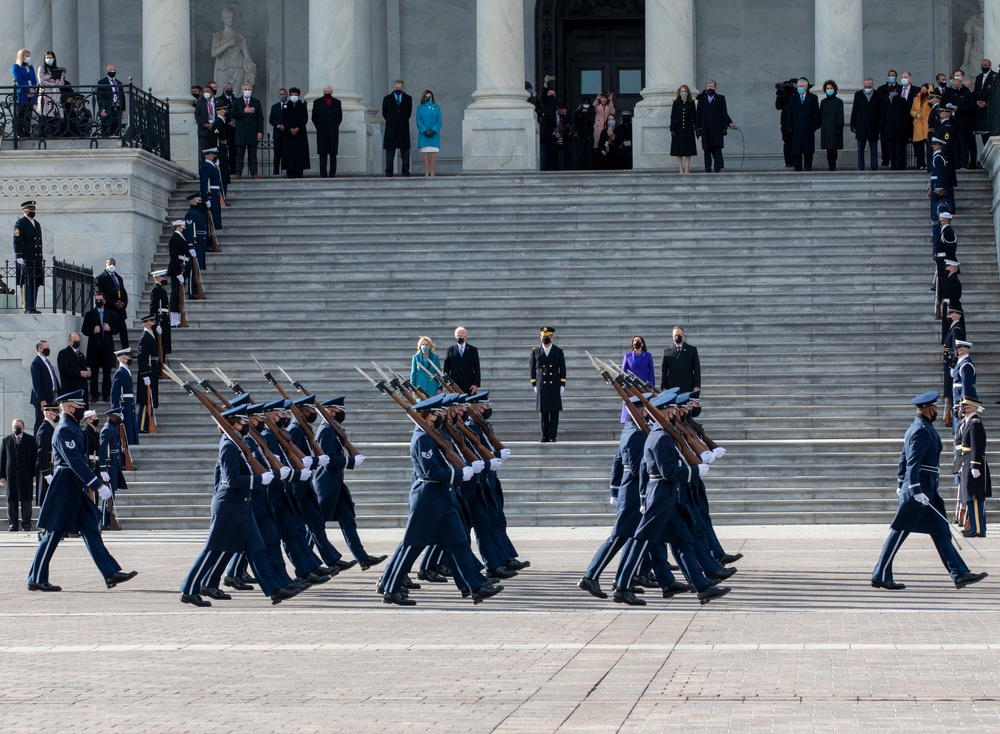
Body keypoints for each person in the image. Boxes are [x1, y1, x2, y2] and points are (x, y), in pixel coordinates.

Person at [378, 393, 502, 606]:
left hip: (443, 495)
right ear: (430, 416)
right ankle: (391, 588)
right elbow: (431, 471)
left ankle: (474, 586)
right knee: (412, 545)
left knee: (458, 541)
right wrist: (459, 474)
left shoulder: (433, 436)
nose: (444, 416)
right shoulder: (422, 439)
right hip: (428, 497)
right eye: (440, 413)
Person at [179, 404, 301, 608]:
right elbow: (232, 479)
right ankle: (188, 589)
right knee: (213, 550)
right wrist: (259, 480)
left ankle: (274, 589)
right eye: (245, 421)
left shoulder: (237, 444)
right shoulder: (228, 446)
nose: (249, 425)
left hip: (242, 505)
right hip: (229, 505)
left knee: (258, 549)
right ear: (235, 424)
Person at [871, 391, 988, 591]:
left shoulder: (918, 427)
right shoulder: (921, 430)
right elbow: (912, 461)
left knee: (941, 531)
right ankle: (880, 574)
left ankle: (960, 573)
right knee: (899, 531)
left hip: (925, 489)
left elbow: (903, 458)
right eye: (935, 409)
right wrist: (912, 488)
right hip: (920, 488)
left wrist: (901, 482)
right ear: (929, 409)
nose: (936, 412)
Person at [27, 390, 138, 593]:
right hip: (65, 485)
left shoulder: (71, 428)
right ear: (69, 408)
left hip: (74, 486)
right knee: (53, 533)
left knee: (90, 529)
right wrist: (97, 484)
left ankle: (110, 571)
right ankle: (36, 578)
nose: (82, 411)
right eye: (79, 408)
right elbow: (75, 461)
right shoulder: (63, 430)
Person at [312, 398, 385, 570]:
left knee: (348, 520)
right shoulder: (326, 431)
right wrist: (349, 461)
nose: (340, 414)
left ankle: (362, 557)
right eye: (338, 411)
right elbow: (329, 459)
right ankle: (309, 563)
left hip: (336, 483)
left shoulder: (332, 429)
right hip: (327, 483)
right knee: (316, 524)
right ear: (329, 412)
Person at [956, 393, 990, 537]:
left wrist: (975, 465)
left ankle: (977, 529)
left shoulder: (974, 423)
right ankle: (974, 527)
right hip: (967, 461)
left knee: (974, 497)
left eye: (967, 407)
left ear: (974, 408)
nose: (964, 409)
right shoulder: (969, 422)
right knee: (970, 496)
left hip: (973, 463)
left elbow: (976, 446)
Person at [82, 291, 125, 403]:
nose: (98, 302)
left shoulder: (111, 314)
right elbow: (84, 330)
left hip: (107, 347)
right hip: (94, 347)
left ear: (104, 301)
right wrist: (93, 330)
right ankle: (94, 394)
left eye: (100, 300)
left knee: (107, 372)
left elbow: (116, 329)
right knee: (94, 372)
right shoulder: (90, 314)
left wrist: (109, 328)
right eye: (96, 300)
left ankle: (106, 394)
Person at [530, 326, 566, 443]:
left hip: (554, 383)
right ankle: (545, 435)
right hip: (542, 384)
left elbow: (563, 368)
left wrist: (562, 384)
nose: (545, 339)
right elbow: (532, 368)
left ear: (552, 337)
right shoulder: (535, 351)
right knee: (544, 411)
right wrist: (534, 383)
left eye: (548, 337)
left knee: (554, 411)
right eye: (543, 337)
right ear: (540, 337)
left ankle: (553, 435)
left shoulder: (558, 351)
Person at [1, 419, 37, 531]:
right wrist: (2, 475)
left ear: (23, 427)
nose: (16, 428)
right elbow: (2, 459)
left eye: (18, 426)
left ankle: (26, 524)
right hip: (11, 474)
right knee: (11, 500)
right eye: (14, 426)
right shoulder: (6, 440)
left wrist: (35, 473)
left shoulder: (31, 440)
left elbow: (35, 458)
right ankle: (13, 524)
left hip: (26, 474)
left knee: (26, 499)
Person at [695, 80, 736, 173]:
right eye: (708, 86)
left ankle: (717, 168)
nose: (710, 88)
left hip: (717, 128)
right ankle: (708, 168)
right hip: (705, 128)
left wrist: (726, 126)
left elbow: (724, 113)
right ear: (706, 87)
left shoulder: (721, 98)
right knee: (706, 149)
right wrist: (697, 128)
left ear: (715, 88)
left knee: (717, 148)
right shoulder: (701, 99)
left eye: (712, 86)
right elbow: (698, 115)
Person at [98, 408, 128, 530]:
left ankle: (108, 520)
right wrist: (103, 468)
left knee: (112, 493)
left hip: (114, 464)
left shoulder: (112, 429)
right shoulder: (107, 430)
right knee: (108, 493)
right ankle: (106, 520)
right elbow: (102, 450)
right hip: (109, 466)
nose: (120, 419)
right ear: (112, 417)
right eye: (118, 416)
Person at [13, 199, 44, 314]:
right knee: (26, 282)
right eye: (31, 209)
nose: (33, 211)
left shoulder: (36, 224)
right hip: (26, 258)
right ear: (25, 211)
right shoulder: (21, 222)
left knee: (35, 282)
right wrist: (19, 256)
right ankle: (27, 306)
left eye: (34, 209)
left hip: (36, 258)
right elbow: (17, 240)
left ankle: (33, 306)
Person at [785, 78, 820, 171]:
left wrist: (814, 126)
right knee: (797, 149)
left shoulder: (813, 98)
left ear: (806, 87)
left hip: (808, 128)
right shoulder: (793, 99)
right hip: (796, 128)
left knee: (808, 149)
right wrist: (789, 127)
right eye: (798, 86)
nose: (799, 88)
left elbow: (816, 113)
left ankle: (808, 167)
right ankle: (798, 167)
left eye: (801, 86)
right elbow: (789, 114)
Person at [943, 70, 976, 169]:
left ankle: (964, 163)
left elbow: (971, 107)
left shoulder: (968, 94)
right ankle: (957, 163)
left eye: (955, 87)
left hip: (964, 124)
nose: (954, 89)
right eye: (953, 87)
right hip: (954, 123)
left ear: (960, 85)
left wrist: (958, 108)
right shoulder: (953, 94)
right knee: (955, 144)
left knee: (963, 144)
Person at [94, 259, 130, 347]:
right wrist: (114, 303)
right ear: (105, 265)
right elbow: (101, 294)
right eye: (110, 264)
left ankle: (126, 351)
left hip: (120, 310)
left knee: (123, 331)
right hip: (109, 309)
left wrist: (123, 303)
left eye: (114, 264)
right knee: (108, 331)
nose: (112, 266)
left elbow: (124, 292)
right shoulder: (100, 278)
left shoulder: (118, 278)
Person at [310, 85, 343, 178]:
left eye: (329, 92)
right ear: (323, 92)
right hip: (322, 132)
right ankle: (323, 174)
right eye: (326, 92)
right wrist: (320, 127)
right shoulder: (317, 102)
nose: (327, 93)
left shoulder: (337, 102)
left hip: (333, 132)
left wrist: (334, 125)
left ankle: (332, 174)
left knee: (333, 154)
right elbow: (314, 117)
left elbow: (339, 117)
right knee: (323, 154)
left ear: (332, 92)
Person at [232, 83, 264, 179]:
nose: (247, 91)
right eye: (245, 89)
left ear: (251, 90)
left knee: (253, 155)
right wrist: (244, 111)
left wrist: (260, 132)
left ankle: (254, 173)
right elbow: (232, 114)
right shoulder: (237, 102)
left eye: (248, 89)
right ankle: (238, 173)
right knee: (239, 154)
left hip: (252, 132)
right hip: (240, 132)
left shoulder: (256, 102)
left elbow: (260, 118)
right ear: (242, 91)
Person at [29, 340, 60, 437]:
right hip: (43, 399)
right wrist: (42, 400)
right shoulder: (36, 363)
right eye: (45, 348)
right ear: (39, 349)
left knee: (51, 421)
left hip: (51, 396)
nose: (48, 350)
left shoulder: (47, 362)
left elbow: (53, 378)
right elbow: (36, 384)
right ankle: (37, 443)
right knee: (40, 422)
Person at [382, 80, 413, 177]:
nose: (398, 89)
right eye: (396, 88)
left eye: (400, 88)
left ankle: (405, 172)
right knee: (390, 152)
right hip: (391, 128)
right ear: (393, 88)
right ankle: (389, 172)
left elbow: (409, 113)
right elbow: (385, 113)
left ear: (402, 88)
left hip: (403, 128)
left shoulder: (408, 98)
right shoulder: (387, 99)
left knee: (405, 152)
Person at [620, 336, 654, 422]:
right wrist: (623, 387)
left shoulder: (647, 355)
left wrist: (651, 387)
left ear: (642, 344)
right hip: (630, 387)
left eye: (638, 341)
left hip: (643, 386)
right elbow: (623, 372)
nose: (636, 342)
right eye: (635, 341)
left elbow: (651, 372)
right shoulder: (627, 355)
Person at [136, 314, 161, 434]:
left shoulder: (151, 335)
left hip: (152, 370)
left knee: (149, 398)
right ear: (147, 323)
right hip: (148, 371)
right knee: (145, 399)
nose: (154, 323)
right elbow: (142, 357)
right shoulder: (145, 337)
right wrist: (144, 374)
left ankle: (146, 423)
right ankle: (142, 425)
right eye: (152, 321)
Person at [850, 78, 880, 171]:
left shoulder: (878, 95)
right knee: (860, 150)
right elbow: (854, 110)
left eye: (869, 86)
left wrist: (880, 126)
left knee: (874, 150)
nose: (867, 88)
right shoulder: (858, 94)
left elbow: (881, 111)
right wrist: (853, 124)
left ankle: (874, 167)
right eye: (866, 86)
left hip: (873, 126)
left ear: (873, 85)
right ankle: (861, 167)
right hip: (861, 126)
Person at [110, 348, 138, 446]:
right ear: (122, 359)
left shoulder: (125, 371)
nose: (130, 358)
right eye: (128, 357)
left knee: (130, 427)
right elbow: (114, 393)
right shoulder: (120, 372)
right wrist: (116, 410)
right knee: (127, 429)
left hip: (129, 403)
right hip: (124, 404)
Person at [661, 326, 701, 394]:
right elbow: (663, 371)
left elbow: (697, 369)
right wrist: (664, 387)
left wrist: (696, 385)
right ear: (672, 336)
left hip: (687, 386)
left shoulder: (691, 350)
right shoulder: (667, 351)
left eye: (679, 335)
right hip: (672, 386)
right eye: (675, 335)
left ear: (683, 336)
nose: (677, 337)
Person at [280, 87, 310, 178]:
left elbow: (304, 119)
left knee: (300, 155)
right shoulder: (285, 106)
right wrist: (290, 128)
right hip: (288, 134)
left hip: (300, 133)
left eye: (295, 95)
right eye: (292, 95)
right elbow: (283, 119)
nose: (293, 96)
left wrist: (297, 128)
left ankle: (299, 173)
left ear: (298, 95)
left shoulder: (302, 106)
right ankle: (290, 173)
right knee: (290, 155)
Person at [35, 51, 66, 137]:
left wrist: (57, 81)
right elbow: (41, 82)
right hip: (46, 96)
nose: (49, 59)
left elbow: (62, 82)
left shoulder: (57, 69)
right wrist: (51, 81)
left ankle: (56, 134)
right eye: (47, 58)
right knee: (45, 116)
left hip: (56, 96)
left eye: (50, 58)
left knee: (56, 117)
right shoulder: (41, 69)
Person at [166, 219, 190, 326]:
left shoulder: (180, 237)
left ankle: (177, 317)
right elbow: (174, 257)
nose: (184, 228)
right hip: (177, 269)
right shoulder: (175, 238)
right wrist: (177, 273)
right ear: (178, 227)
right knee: (176, 294)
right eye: (183, 226)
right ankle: (174, 318)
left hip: (182, 268)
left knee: (179, 294)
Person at [57, 332, 91, 407]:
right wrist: (79, 373)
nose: (77, 343)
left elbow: (84, 369)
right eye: (75, 341)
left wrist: (87, 374)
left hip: (81, 391)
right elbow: (64, 370)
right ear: (69, 341)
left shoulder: (81, 355)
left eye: (78, 341)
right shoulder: (63, 353)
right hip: (71, 390)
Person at [443, 326, 480, 394]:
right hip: (454, 385)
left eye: (461, 336)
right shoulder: (450, 350)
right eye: (457, 336)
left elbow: (477, 368)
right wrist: (447, 384)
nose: (459, 337)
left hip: (469, 385)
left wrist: (475, 384)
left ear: (465, 337)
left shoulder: (473, 350)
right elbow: (446, 369)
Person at [670, 85, 697, 174]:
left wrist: (697, 128)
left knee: (688, 149)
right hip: (678, 129)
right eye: (681, 91)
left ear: (688, 92)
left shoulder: (691, 103)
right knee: (679, 149)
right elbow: (673, 117)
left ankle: (687, 168)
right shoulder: (676, 103)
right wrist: (672, 129)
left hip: (688, 128)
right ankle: (681, 168)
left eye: (685, 91)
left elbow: (694, 116)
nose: (683, 93)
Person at [819, 80, 844, 171]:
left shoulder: (838, 101)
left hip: (834, 129)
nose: (829, 90)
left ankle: (833, 165)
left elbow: (840, 115)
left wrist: (839, 127)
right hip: (826, 128)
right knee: (828, 149)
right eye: (827, 88)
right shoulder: (823, 102)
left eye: (831, 88)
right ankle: (830, 164)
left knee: (833, 148)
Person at [416, 90, 442, 177]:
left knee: (433, 152)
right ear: (424, 97)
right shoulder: (420, 108)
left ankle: (432, 171)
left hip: (434, 133)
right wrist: (424, 130)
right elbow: (418, 121)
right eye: (426, 97)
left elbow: (439, 121)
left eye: (429, 97)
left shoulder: (437, 107)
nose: (428, 98)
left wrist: (434, 130)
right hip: (424, 133)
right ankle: (427, 171)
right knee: (426, 153)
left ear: (432, 97)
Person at [12, 49, 37, 137]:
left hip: (31, 94)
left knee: (29, 115)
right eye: (26, 56)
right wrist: (27, 90)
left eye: (29, 56)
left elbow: (34, 80)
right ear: (21, 57)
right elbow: (19, 80)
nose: (28, 58)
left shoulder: (30, 67)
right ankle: (20, 133)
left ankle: (27, 132)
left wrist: (33, 89)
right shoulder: (16, 67)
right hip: (23, 94)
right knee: (22, 114)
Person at [974, 59, 997, 151]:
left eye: (985, 65)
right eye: (982, 65)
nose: (983, 67)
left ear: (990, 66)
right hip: (980, 110)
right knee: (983, 133)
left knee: (990, 133)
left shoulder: (995, 76)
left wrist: (986, 103)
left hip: (990, 110)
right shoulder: (979, 77)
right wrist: (978, 102)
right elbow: (976, 92)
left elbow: (995, 94)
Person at [96, 63, 124, 137]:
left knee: (116, 128)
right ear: (106, 72)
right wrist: (102, 109)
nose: (112, 71)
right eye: (110, 70)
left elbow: (122, 97)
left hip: (117, 108)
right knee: (106, 128)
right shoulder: (102, 82)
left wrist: (123, 110)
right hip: (107, 108)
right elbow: (99, 97)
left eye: (113, 70)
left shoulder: (118, 83)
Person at [199, 149, 223, 231]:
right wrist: (205, 198)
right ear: (208, 156)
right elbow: (204, 184)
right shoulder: (206, 167)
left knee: (215, 215)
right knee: (212, 217)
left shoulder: (212, 167)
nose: (215, 158)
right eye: (213, 156)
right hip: (211, 194)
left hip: (215, 194)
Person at [910, 84, 932, 170]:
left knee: (929, 147)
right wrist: (916, 114)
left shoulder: (930, 98)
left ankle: (929, 164)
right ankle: (921, 164)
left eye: (924, 90)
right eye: (921, 90)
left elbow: (932, 103)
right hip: (918, 125)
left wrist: (930, 91)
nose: (922, 92)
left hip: (927, 125)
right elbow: (912, 110)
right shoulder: (916, 98)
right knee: (918, 148)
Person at [195, 83, 218, 157]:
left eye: (207, 91)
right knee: (204, 153)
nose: (205, 93)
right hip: (204, 131)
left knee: (214, 152)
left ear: (211, 92)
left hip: (215, 130)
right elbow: (197, 115)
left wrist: (215, 125)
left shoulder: (218, 102)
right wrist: (205, 125)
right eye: (204, 92)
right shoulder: (200, 103)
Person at [573, 98, 596, 170]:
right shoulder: (578, 110)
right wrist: (580, 114)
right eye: (584, 104)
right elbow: (575, 121)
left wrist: (587, 115)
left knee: (589, 152)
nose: (586, 105)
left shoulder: (592, 110)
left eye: (587, 104)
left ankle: (590, 168)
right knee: (580, 152)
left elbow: (592, 122)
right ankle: (580, 169)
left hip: (589, 134)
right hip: (580, 134)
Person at [269, 88, 287, 175]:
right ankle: (275, 172)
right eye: (281, 94)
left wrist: (286, 126)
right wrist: (278, 126)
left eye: (284, 94)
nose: (282, 96)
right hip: (278, 134)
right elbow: (271, 119)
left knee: (287, 155)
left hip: (287, 134)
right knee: (277, 155)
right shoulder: (274, 107)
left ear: (287, 95)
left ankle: (288, 172)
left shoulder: (290, 106)